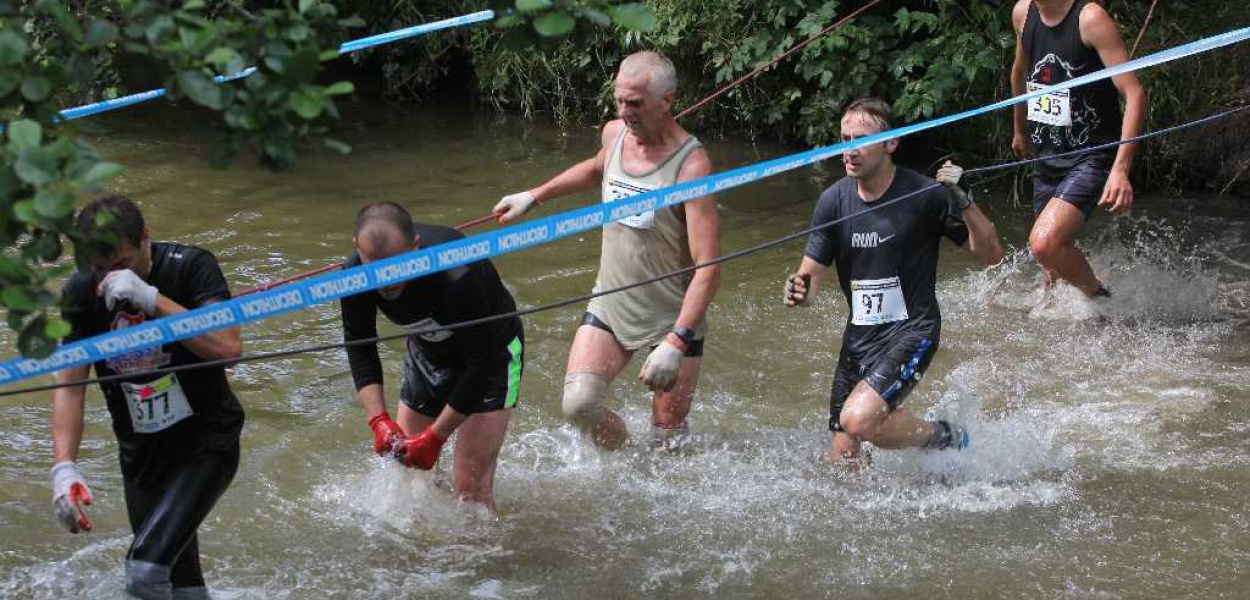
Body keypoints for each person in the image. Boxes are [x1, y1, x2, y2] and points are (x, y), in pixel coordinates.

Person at [492, 51, 720, 450]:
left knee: (667, 437)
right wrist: (535, 195)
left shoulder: (692, 167)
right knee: (579, 404)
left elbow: (709, 267)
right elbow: (597, 168)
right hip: (612, 301)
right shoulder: (615, 134)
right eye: (619, 100)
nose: (624, 111)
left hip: (672, 314)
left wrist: (677, 341)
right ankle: (627, 461)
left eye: (635, 103)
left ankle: (654, 483)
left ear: (666, 101)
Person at [783, 99, 1004, 467]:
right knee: (844, 455)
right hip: (860, 338)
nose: (849, 150)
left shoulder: (925, 196)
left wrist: (964, 200)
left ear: (891, 143)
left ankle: (941, 435)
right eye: (843, 139)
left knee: (856, 420)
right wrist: (798, 289)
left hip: (912, 331)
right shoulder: (832, 201)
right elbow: (809, 279)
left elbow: (991, 253)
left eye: (861, 139)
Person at [51, 196, 244, 600]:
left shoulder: (191, 266)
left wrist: (153, 300)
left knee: (144, 570)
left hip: (205, 444)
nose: (108, 278)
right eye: (98, 268)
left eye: (121, 265)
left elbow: (229, 348)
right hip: (141, 456)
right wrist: (64, 467)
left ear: (145, 240)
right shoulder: (81, 292)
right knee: (180, 586)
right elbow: (70, 385)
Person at [340, 202, 523, 511]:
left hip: (493, 356)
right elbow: (360, 346)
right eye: (375, 270)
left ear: (415, 247)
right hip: (428, 352)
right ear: (357, 248)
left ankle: (489, 555)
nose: (386, 281)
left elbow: (480, 366)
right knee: (409, 472)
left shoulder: (456, 276)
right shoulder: (353, 274)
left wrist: (436, 437)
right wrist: (378, 420)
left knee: (470, 494)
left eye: (396, 269)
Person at [1010, 0, 1147, 297]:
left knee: (1044, 243)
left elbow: (1134, 93)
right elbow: (1020, 72)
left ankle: (1100, 297)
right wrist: (1019, 129)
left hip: (1091, 155)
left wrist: (1120, 170)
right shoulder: (1023, 13)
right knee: (1051, 273)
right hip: (1046, 154)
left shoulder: (1091, 19)